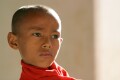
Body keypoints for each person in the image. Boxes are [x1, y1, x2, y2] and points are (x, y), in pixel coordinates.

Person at [7, 5, 77, 80]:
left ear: (60, 42)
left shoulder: (61, 74)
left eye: (55, 36)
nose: (47, 44)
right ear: (13, 41)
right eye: (37, 34)